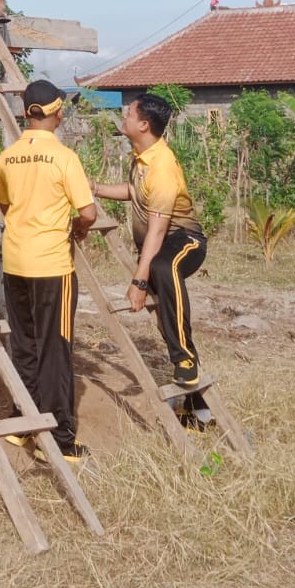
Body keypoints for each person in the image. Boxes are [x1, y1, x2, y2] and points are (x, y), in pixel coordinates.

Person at [0, 80, 98, 464]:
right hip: (52, 266)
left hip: (15, 262)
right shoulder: (64, 158)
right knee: (56, 349)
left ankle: (23, 423)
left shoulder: (8, 157)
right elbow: (88, 212)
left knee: (24, 345)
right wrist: (79, 228)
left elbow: (6, 206)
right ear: (58, 114)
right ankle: (59, 438)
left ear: (26, 114)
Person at [91, 93, 206, 389]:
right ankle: (194, 403)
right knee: (165, 314)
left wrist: (139, 281)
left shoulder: (162, 165)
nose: (123, 116)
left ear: (144, 125)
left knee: (164, 267)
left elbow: (158, 229)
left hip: (184, 240)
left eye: (129, 113)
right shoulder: (142, 157)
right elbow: (134, 191)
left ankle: (185, 358)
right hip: (158, 245)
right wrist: (96, 188)